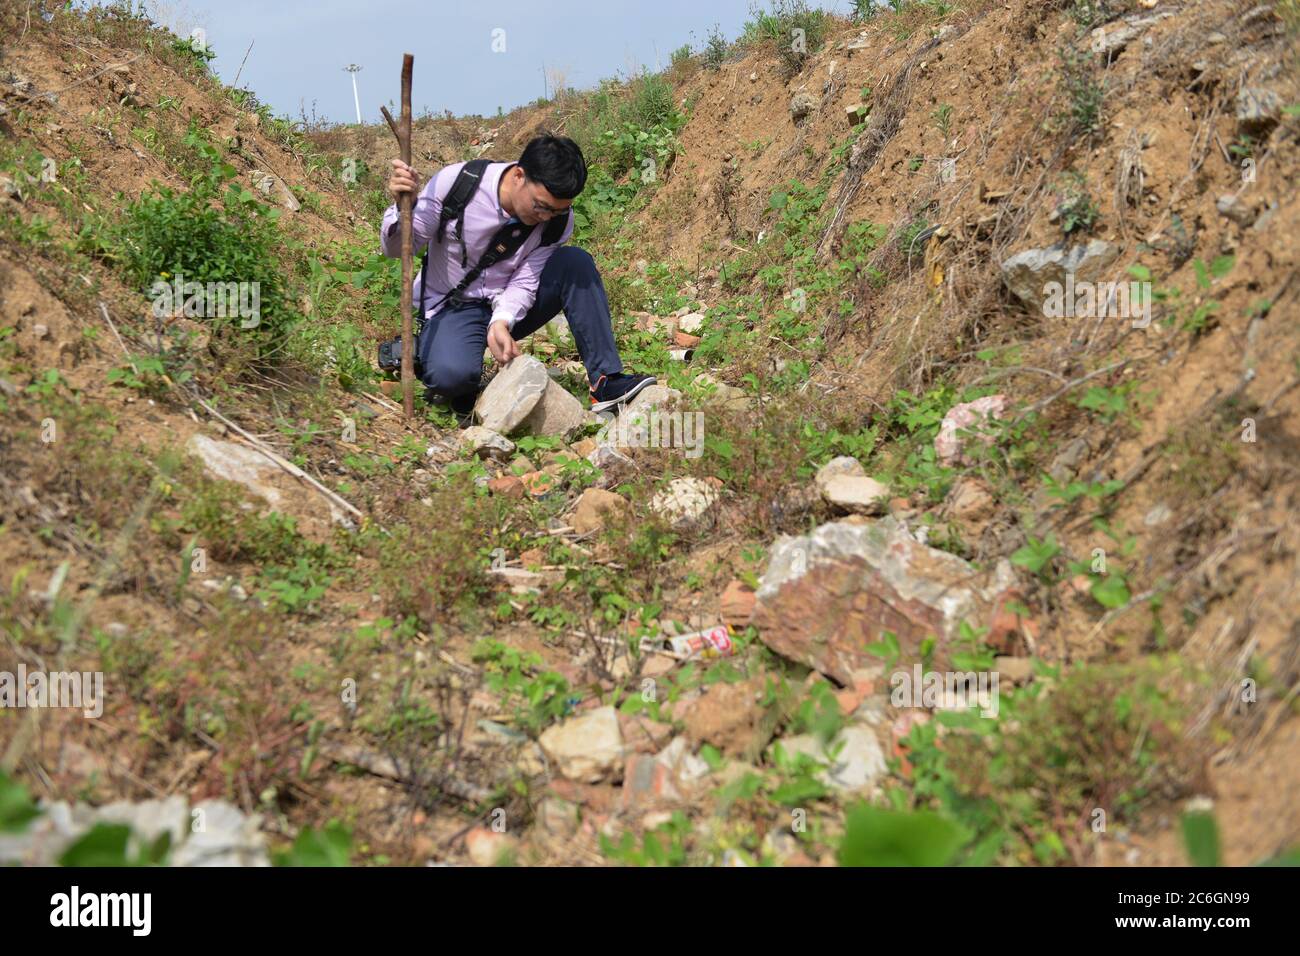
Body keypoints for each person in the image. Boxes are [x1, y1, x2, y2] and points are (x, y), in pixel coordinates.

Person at [381, 134, 655, 418]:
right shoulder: (457, 184)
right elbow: (396, 248)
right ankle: (440, 356)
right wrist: (406, 209)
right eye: (542, 206)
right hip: (455, 307)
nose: (547, 217)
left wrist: (501, 321)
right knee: (452, 377)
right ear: (519, 175)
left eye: (558, 210)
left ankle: (606, 380)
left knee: (575, 263)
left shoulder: (557, 220)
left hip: (508, 301)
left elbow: (526, 279)